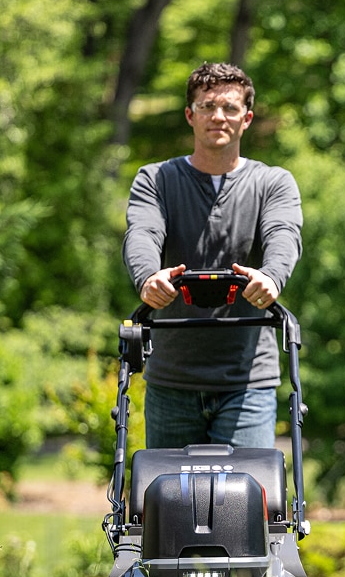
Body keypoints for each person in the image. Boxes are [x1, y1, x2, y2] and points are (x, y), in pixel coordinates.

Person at [122, 62, 304, 450]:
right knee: (166, 500)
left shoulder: (272, 182)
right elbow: (143, 232)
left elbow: (283, 234)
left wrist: (271, 276)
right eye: (207, 106)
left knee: (247, 501)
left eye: (230, 108)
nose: (218, 116)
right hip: (172, 379)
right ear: (191, 115)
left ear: (247, 118)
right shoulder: (155, 180)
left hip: (247, 381)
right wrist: (147, 277)